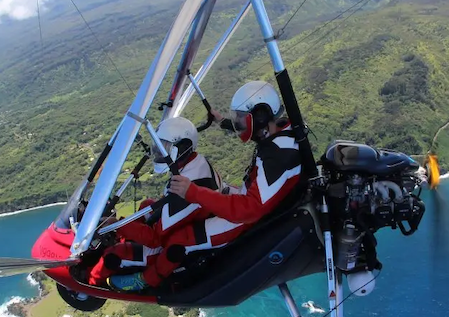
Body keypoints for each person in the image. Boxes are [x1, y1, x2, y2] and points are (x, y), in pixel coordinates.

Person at [109, 81, 302, 291]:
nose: (239, 126)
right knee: (159, 208)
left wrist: (192, 192)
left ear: (261, 116)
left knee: (180, 240)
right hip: (245, 198)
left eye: (241, 120)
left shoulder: (277, 155)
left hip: (246, 219)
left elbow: (249, 210)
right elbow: (254, 132)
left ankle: (147, 280)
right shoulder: (280, 131)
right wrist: (223, 121)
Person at [88, 116, 221, 284]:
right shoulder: (196, 162)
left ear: (183, 148)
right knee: (146, 205)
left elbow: (155, 239)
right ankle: (129, 239)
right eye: (158, 146)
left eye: (164, 147)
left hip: (170, 242)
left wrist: (119, 224)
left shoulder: (184, 194)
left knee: (112, 255)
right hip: (190, 221)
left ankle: (90, 287)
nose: (158, 152)